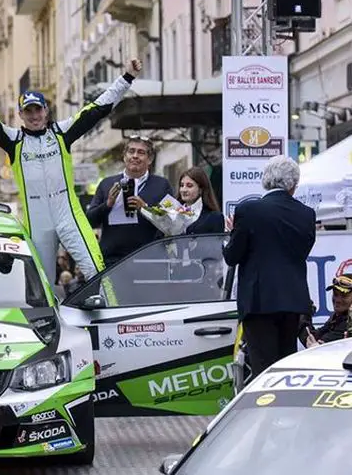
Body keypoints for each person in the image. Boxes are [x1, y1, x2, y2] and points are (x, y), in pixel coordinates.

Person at [0, 60, 142, 281]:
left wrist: (127, 77)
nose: (34, 116)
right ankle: (49, 315)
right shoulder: (13, 140)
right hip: (38, 221)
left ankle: (103, 308)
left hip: (68, 215)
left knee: (95, 268)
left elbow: (98, 108)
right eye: (29, 112)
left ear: (46, 111)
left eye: (38, 110)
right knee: (41, 283)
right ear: (20, 114)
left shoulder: (61, 133)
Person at [223, 155, 316, 378]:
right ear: (293, 185)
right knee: (286, 367)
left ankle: (265, 412)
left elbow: (232, 256)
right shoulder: (307, 214)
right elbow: (302, 252)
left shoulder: (249, 210)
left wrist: (230, 235)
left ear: (266, 180)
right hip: (292, 301)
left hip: (259, 301)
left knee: (263, 370)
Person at [86, 136, 174, 266]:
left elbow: (171, 223)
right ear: (124, 156)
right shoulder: (107, 184)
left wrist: (145, 208)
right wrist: (108, 204)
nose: (135, 156)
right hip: (112, 261)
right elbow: (89, 222)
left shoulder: (162, 185)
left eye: (141, 152)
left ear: (150, 159)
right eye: (131, 151)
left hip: (150, 260)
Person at [141, 166, 225, 236]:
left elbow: (215, 249)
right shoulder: (170, 213)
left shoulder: (214, 217)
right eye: (182, 185)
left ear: (201, 190)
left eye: (189, 186)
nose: (184, 190)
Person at [298, 267, 351, 347]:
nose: (337, 300)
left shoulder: (347, 322)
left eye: (344, 296)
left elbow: (316, 346)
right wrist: (304, 313)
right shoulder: (337, 317)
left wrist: (303, 313)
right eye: (335, 294)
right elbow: (312, 338)